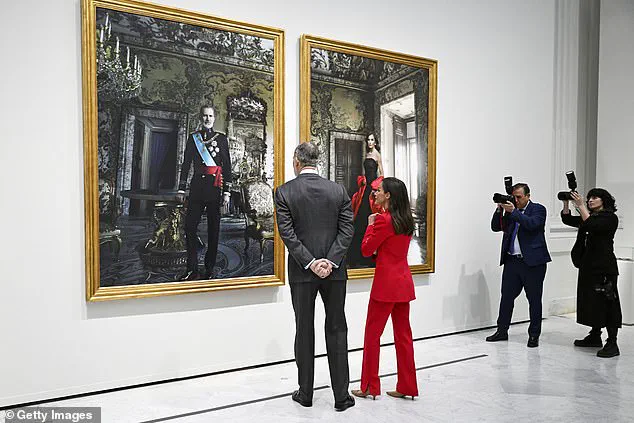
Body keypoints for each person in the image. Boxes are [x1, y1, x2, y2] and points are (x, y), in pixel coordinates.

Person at [274, 142, 355, 412]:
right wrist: (330, 261)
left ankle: (306, 393)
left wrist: (310, 263)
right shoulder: (338, 190)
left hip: (302, 273)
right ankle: (342, 397)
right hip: (335, 272)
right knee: (337, 329)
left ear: (297, 161)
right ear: (316, 161)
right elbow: (347, 232)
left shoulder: (285, 192)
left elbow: (289, 235)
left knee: (304, 330)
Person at [352, 177, 419, 400]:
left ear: (388, 195)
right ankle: (408, 386)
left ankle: (370, 386)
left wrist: (370, 225)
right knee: (403, 336)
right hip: (403, 283)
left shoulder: (383, 220)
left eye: (379, 191)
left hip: (385, 285)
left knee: (372, 335)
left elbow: (365, 250)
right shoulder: (405, 220)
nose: (375, 194)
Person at [486, 183, 551, 347]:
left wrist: (513, 212)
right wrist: (499, 209)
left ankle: (534, 335)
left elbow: (531, 224)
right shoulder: (510, 212)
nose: (516, 200)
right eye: (514, 197)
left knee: (534, 300)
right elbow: (495, 227)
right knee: (506, 298)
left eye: (519, 197)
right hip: (512, 261)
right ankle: (502, 331)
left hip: (533, 263)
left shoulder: (538, 209)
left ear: (528, 196)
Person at [561, 188, 622, 358]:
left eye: (595, 198)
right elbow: (568, 219)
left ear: (604, 200)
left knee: (608, 304)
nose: (590, 200)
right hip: (588, 266)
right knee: (591, 302)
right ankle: (595, 336)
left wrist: (581, 206)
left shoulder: (610, 218)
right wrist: (566, 203)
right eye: (588, 198)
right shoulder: (591, 216)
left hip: (604, 268)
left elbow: (591, 225)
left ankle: (612, 343)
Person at [177, 105, 232, 281]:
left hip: (215, 189)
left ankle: (209, 268)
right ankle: (191, 268)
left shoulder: (222, 139)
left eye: (210, 116)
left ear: (214, 118)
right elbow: (186, 165)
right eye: (204, 116)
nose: (207, 119)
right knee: (190, 227)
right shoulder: (193, 138)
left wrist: (227, 192)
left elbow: (227, 167)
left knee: (213, 230)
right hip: (196, 189)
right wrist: (181, 188)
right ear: (200, 118)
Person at [348, 156, 383, 267]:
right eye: (369, 139)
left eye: (372, 140)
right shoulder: (362, 182)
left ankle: (369, 259)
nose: (370, 142)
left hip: (373, 203)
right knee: (359, 230)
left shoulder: (379, 183)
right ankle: (357, 258)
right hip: (363, 201)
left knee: (371, 230)